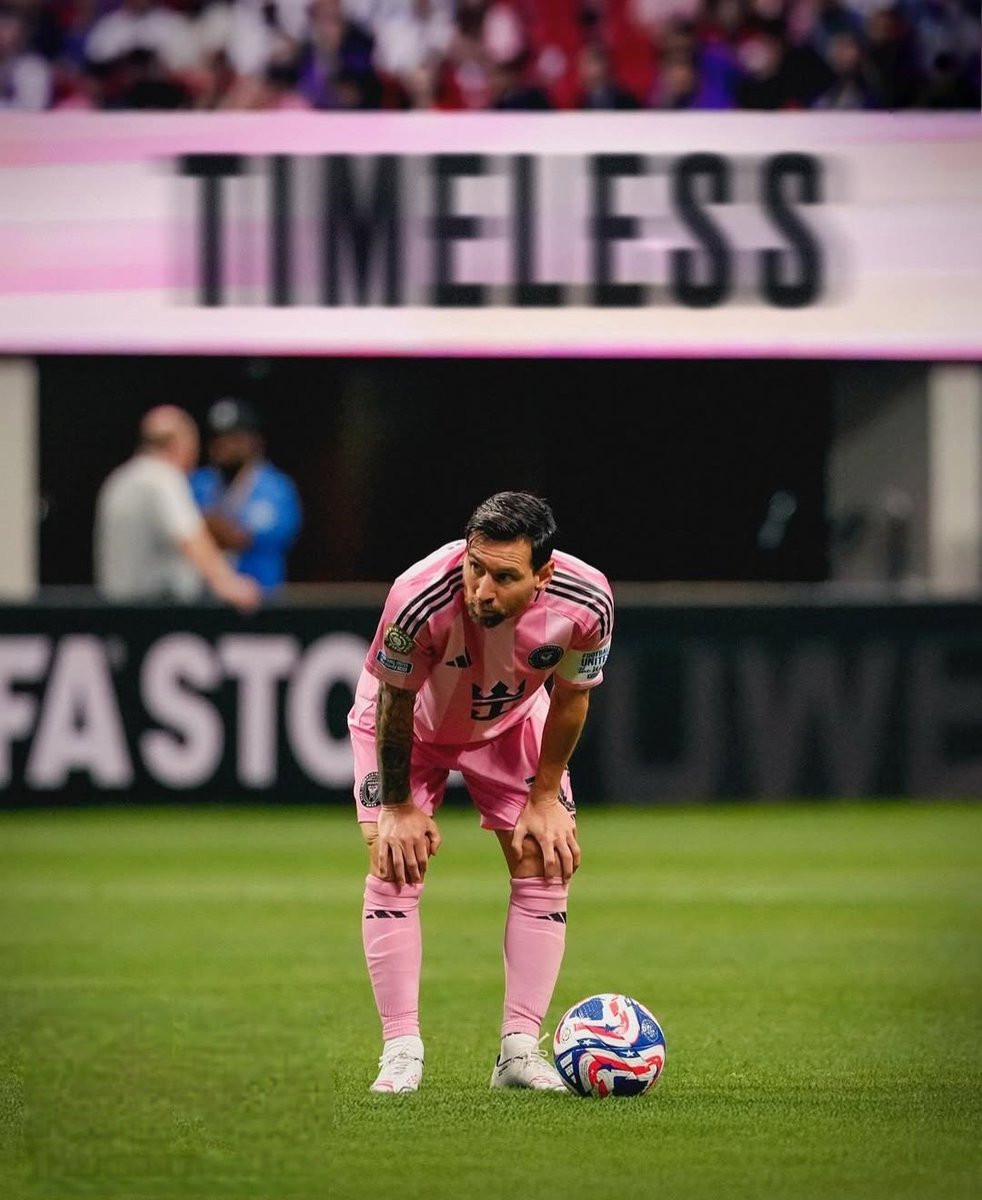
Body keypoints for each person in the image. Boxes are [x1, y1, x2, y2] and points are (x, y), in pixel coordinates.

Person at [347, 491, 614, 1094]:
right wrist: (397, 807)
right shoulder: (417, 594)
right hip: (409, 726)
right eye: (475, 567)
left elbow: (572, 696)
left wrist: (546, 797)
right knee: (395, 861)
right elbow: (393, 699)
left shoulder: (588, 600)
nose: (481, 590)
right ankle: (400, 1050)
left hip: (510, 723)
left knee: (545, 858)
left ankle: (518, 1051)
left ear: (544, 574)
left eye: (504, 577)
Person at [94, 404, 261, 612]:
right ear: (179, 444)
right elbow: (189, 537)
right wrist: (228, 583)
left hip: (115, 608)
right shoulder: (163, 478)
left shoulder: (119, 480)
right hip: (153, 610)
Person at [189, 397, 302, 595]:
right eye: (217, 437)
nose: (223, 445)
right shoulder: (199, 482)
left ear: (253, 441)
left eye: (233, 437)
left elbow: (241, 538)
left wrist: (206, 524)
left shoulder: (276, 488)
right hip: (205, 598)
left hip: (262, 598)